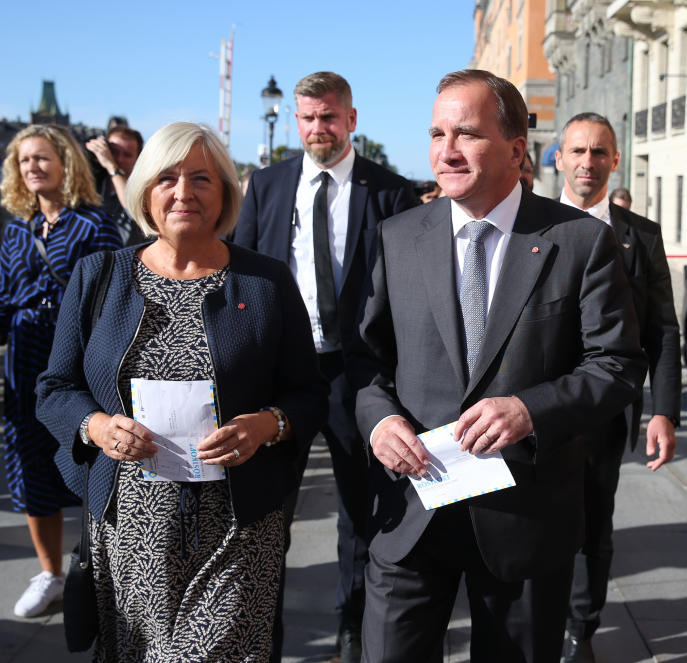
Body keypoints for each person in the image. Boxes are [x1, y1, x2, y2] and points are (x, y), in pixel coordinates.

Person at [354, 69, 647, 662]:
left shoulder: (580, 240)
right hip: (412, 513)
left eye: (465, 133)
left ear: (517, 149)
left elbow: (616, 364)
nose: (446, 151)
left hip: (526, 520)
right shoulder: (397, 236)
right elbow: (367, 362)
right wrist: (381, 422)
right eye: (437, 134)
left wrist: (529, 409)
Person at [36, 122, 329, 660]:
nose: (184, 192)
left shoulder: (266, 282)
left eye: (201, 178)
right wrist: (97, 427)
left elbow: (309, 393)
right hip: (130, 524)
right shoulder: (99, 274)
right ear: (145, 190)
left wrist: (266, 425)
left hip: (238, 525)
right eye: (167, 177)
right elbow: (55, 387)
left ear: (224, 194)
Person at [233, 71, 419, 662]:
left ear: (351, 119)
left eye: (330, 118)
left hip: (356, 373)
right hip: (279, 374)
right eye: (308, 119)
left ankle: (351, 624)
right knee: (267, 512)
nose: (319, 129)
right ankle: (264, 633)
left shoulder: (389, 192)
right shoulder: (266, 186)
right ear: (296, 121)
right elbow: (242, 272)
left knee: (363, 510)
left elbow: (410, 290)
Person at [0, 124, 122, 618]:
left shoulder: (95, 224)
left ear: (67, 163)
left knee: (93, 463)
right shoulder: (16, 230)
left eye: (42, 158)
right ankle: (51, 573)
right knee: (31, 467)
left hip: (77, 358)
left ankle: (105, 573)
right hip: (24, 360)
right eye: (24, 160)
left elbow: (111, 300)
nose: (32, 166)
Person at [554, 112, 680, 663]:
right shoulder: (528, 225)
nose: (588, 162)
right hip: (534, 409)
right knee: (535, 521)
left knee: (591, 524)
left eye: (599, 152)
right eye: (577, 151)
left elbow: (664, 330)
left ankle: (580, 628)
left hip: (605, 411)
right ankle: (535, 616)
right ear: (558, 158)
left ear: (615, 161)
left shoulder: (641, 237)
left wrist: (664, 410)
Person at [85, 125, 146, 246]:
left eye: (127, 155)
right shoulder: (93, 182)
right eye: (113, 152)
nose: (119, 159)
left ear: (138, 159)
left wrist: (112, 167)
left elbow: (134, 210)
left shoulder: (144, 187)